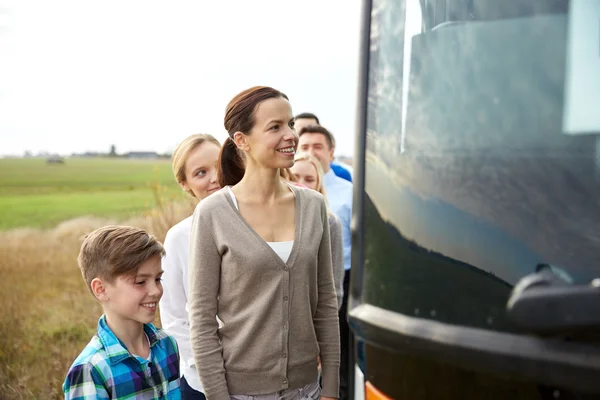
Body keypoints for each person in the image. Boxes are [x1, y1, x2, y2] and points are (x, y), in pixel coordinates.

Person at [188, 86, 340, 400]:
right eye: (275, 127)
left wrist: (331, 390)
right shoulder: (212, 214)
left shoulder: (314, 207)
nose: (290, 135)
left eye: (291, 124)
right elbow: (201, 320)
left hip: (308, 389)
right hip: (241, 393)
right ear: (241, 140)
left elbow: (325, 304)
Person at [63, 225, 181, 399]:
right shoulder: (91, 370)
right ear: (101, 289)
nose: (156, 290)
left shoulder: (168, 344)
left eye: (158, 279)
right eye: (140, 282)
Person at [160, 134, 221, 400]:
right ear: (185, 184)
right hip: (203, 382)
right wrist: (211, 367)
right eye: (201, 173)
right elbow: (173, 316)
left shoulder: (262, 225)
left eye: (220, 165)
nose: (215, 178)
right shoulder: (179, 237)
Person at [297, 125, 353, 400]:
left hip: (337, 280)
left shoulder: (347, 193)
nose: (310, 152)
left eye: (317, 146)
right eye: (304, 146)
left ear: (331, 152)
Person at [290, 152, 344, 310]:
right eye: (294, 177)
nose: (301, 184)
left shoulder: (330, 223)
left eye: (309, 179)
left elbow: (334, 289)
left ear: (318, 185)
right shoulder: (266, 219)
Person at [294, 113, 352, 182]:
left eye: (317, 147)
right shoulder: (285, 178)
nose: (310, 153)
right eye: (305, 147)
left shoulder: (341, 175)